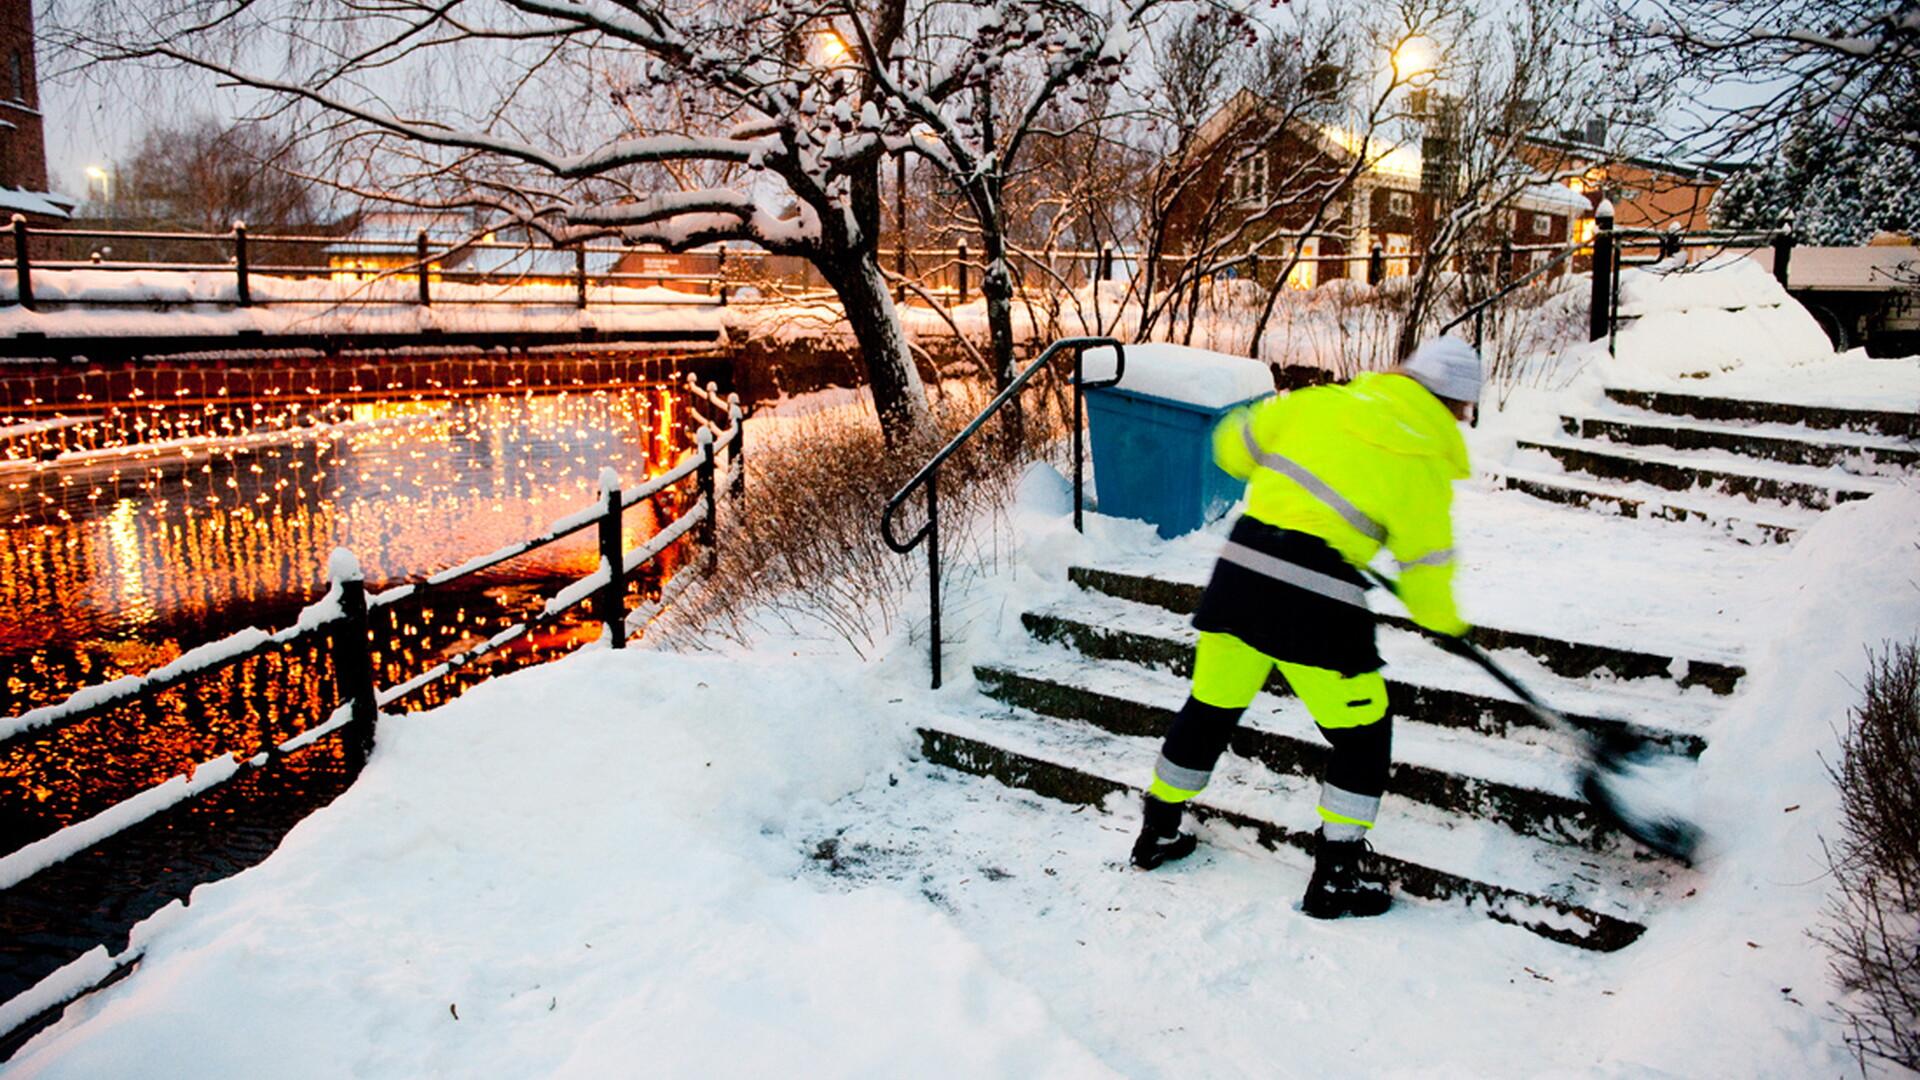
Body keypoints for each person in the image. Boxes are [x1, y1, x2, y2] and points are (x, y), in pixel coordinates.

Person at [1129, 337, 1480, 920]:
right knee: (1363, 731)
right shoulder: (1422, 462)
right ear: (1457, 408)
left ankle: (1158, 828)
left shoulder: (1318, 403)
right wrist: (1446, 623)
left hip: (1241, 571)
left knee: (1211, 705)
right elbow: (1427, 569)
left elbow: (1231, 447)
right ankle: (1336, 877)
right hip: (1317, 599)